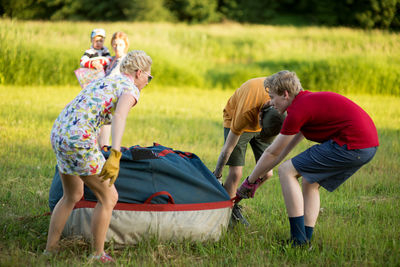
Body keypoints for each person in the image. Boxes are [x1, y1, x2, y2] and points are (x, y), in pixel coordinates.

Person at [236, 70, 379, 246]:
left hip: (352, 144)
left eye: (273, 97)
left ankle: (298, 241)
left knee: (286, 170)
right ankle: (304, 240)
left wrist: (249, 181)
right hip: (366, 146)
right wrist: (256, 179)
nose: (271, 103)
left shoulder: (298, 110)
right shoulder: (305, 103)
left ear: (285, 94)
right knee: (310, 181)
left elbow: (272, 152)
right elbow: (281, 152)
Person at [45, 50, 153, 263]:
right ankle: (98, 254)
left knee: (72, 195)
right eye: (149, 77)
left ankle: (50, 249)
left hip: (59, 133)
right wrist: (115, 152)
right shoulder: (130, 88)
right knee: (109, 197)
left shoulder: (106, 81)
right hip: (79, 139)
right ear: (139, 73)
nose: (148, 82)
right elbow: (120, 116)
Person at [213, 76, 281, 226]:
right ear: (260, 114)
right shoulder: (245, 113)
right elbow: (228, 148)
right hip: (237, 121)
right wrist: (217, 174)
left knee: (267, 173)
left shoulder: (282, 100)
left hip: (271, 123)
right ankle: (226, 215)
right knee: (236, 173)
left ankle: (232, 204)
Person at [99, 31, 130, 147]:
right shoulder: (111, 60)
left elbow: (111, 78)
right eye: (115, 44)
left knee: (104, 140)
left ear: (125, 46)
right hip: (102, 97)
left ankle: (105, 158)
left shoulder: (124, 61)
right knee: (98, 133)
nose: (117, 47)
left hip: (111, 100)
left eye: (120, 45)